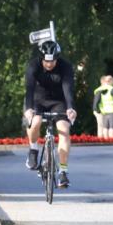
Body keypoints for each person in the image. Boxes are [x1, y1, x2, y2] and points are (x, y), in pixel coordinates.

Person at [23, 40, 77, 188]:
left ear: (57, 58)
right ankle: (33, 149)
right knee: (35, 122)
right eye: (46, 61)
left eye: (52, 61)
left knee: (64, 131)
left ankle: (63, 173)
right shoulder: (33, 65)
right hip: (37, 100)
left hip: (58, 101)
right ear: (41, 58)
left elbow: (68, 87)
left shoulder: (65, 66)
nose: (49, 64)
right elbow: (29, 89)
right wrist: (28, 109)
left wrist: (71, 108)